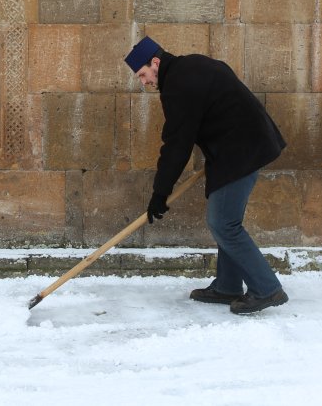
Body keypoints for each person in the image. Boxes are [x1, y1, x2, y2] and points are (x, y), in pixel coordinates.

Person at [124, 36, 289, 315]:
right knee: (226, 220)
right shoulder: (190, 65)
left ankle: (267, 289)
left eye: (142, 75)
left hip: (240, 150)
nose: (144, 82)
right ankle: (228, 286)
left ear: (155, 62)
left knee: (223, 223)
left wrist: (160, 193)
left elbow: (177, 144)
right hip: (240, 146)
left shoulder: (177, 85)